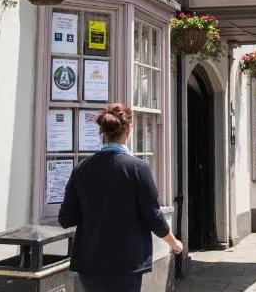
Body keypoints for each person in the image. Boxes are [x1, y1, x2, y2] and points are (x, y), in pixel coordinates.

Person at [59, 103, 183, 292]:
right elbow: (153, 216)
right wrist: (174, 243)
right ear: (129, 129)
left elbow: (66, 219)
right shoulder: (138, 169)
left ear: (103, 132)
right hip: (126, 264)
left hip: (89, 262)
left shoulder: (82, 169)